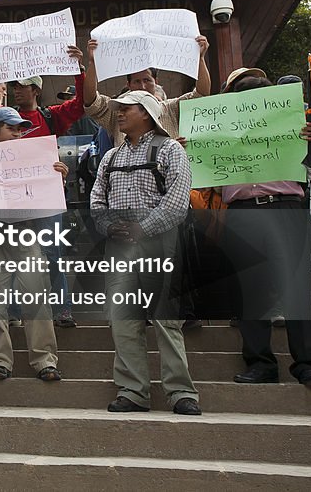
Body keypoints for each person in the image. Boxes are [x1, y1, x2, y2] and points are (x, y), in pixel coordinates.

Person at [89, 90, 201, 416]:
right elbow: (98, 199)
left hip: (159, 242)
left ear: (148, 114)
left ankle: (181, 392)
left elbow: (178, 201)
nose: (119, 114)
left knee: (166, 319)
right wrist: (108, 226)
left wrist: (144, 228)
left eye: (127, 109)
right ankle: (132, 391)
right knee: (123, 322)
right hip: (119, 245)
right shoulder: (110, 157)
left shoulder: (170, 151)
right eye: (119, 109)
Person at [220, 74, 311, 387]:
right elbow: (200, 171)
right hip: (241, 211)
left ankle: (308, 364)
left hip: (284, 208)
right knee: (250, 288)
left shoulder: (294, 126)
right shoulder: (221, 131)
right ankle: (259, 363)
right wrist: (189, 149)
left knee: (294, 285)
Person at [0, 46, 86, 327]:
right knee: (14, 259)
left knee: (52, 252)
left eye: (24, 86)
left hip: (45, 198)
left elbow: (80, 105)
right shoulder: (3, 118)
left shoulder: (52, 116)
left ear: (36, 91)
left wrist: (79, 70)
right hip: (12, 203)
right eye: (15, 85)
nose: (18, 90)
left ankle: (62, 309)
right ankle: (16, 311)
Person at [0, 107, 65, 382]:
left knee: (36, 297)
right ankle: (0, 361)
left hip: (27, 235)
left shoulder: (35, 157)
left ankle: (44, 360)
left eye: (20, 128)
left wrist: (56, 178)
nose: (18, 133)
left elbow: (48, 199)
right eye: (11, 128)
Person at [83, 35, 211, 146]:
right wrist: (93, 64)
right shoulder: (117, 111)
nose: (143, 86)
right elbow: (91, 100)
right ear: (128, 85)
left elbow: (201, 95)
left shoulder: (171, 109)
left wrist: (199, 59)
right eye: (137, 81)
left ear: (156, 82)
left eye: (147, 80)